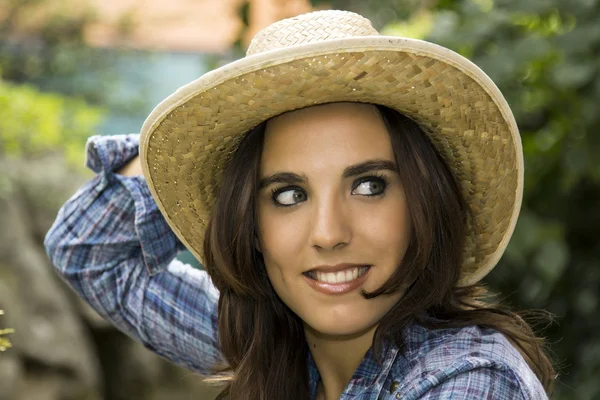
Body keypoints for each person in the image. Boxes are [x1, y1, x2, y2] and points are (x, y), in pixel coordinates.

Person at [45, 10, 556, 400]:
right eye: (288, 195)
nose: (328, 233)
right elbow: (89, 250)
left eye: (369, 185)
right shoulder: (275, 341)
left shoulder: (469, 378)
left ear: (426, 201)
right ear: (251, 227)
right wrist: (192, 142)